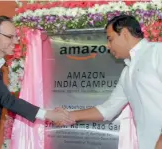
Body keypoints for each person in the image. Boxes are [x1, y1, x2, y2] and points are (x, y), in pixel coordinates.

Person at [56, 15, 162, 149]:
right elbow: (108, 109)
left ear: (124, 34)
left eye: (110, 39)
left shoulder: (157, 52)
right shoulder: (127, 72)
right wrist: (70, 115)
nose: (108, 46)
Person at [0, 16, 74, 149]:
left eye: (16, 36)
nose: (16, 41)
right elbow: (7, 100)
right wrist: (49, 114)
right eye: (10, 37)